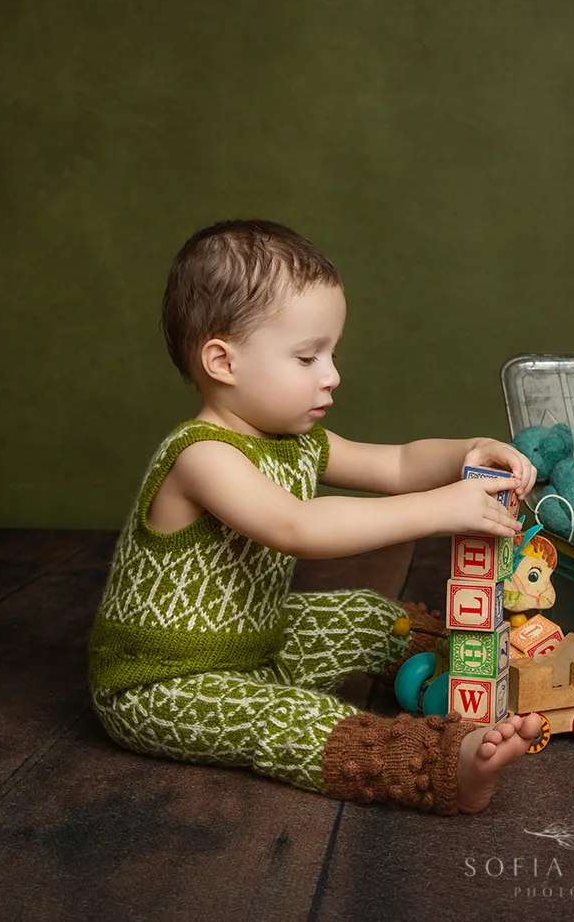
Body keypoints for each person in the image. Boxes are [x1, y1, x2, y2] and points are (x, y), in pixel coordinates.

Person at [88, 219, 543, 815]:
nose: (331, 376)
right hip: (164, 683)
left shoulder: (295, 441)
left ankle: (471, 662)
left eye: (331, 353)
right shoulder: (201, 455)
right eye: (307, 357)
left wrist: (467, 452)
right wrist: (439, 509)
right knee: (283, 718)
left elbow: (398, 464)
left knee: (365, 616)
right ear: (223, 361)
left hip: (258, 643)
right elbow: (297, 527)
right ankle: (443, 764)